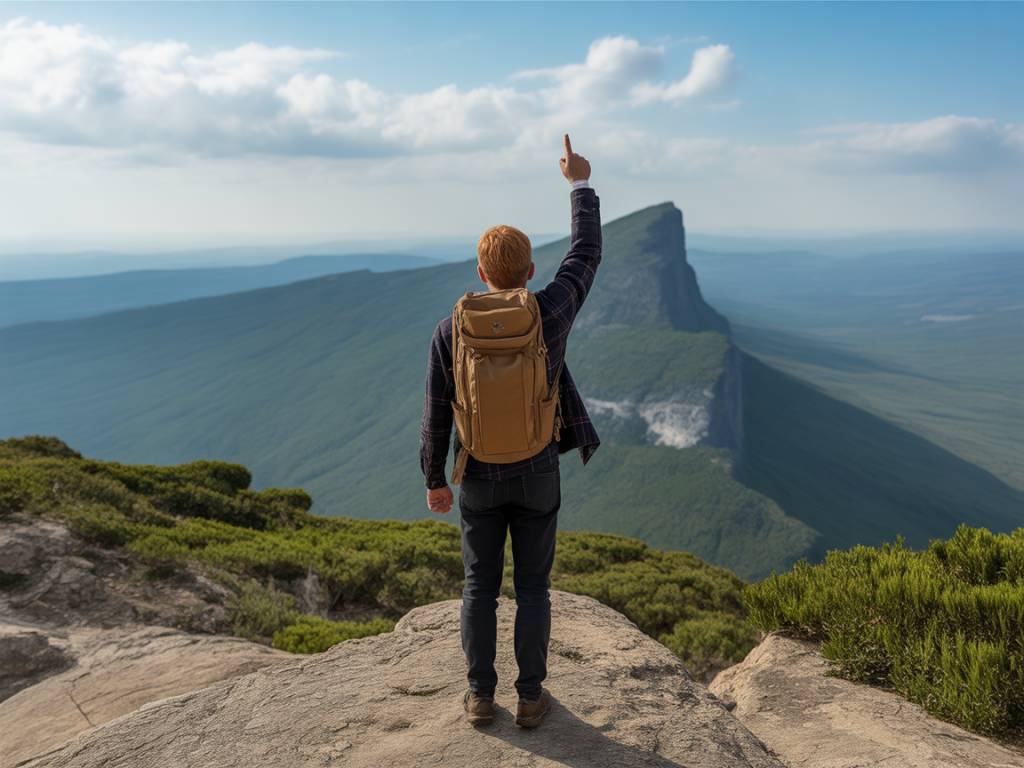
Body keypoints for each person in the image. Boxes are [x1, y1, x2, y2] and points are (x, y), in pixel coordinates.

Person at [418, 133, 602, 728]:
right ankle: (529, 696)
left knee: (478, 588)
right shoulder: (548, 311)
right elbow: (587, 254)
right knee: (532, 589)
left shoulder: (452, 330)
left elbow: (436, 412)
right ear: (528, 270)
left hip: (476, 476)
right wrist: (578, 182)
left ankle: (478, 696)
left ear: (479, 271)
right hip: (537, 468)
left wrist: (435, 479)